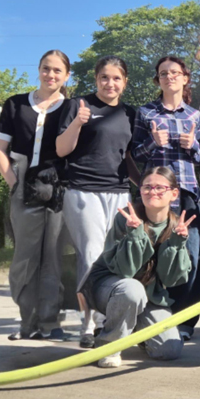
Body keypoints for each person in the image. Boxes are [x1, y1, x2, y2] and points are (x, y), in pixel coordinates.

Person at [56, 55, 138, 348]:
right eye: (104, 77)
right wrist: (77, 123)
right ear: (96, 79)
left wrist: (148, 192)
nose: (110, 83)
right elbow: (62, 149)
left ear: (125, 82)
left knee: (114, 257)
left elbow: (127, 157)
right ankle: (89, 324)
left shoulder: (130, 114)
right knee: (91, 254)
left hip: (118, 193)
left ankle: (108, 320)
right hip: (83, 191)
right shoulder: (78, 106)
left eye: (116, 78)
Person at [0, 49, 71, 341]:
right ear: (38, 70)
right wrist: (14, 182)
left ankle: (51, 322)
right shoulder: (15, 105)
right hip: (23, 183)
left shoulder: (72, 107)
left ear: (66, 76)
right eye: (46, 69)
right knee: (25, 257)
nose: (51, 75)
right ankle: (28, 322)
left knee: (53, 256)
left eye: (57, 71)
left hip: (58, 186)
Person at [82, 167, 194, 368]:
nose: (153, 192)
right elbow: (124, 271)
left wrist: (177, 243)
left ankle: (133, 329)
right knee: (132, 290)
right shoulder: (127, 218)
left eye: (160, 188)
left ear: (174, 193)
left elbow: (171, 280)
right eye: (147, 187)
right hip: (109, 288)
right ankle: (108, 346)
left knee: (169, 350)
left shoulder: (177, 225)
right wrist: (134, 235)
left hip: (148, 294)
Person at [131, 56, 200, 341]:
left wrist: (193, 146)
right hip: (155, 197)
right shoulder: (145, 113)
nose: (169, 77)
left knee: (191, 258)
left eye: (175, 73)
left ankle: (185, 322)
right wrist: (153, 143)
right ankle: (153, 314)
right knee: (154, 256)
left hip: (186, 194)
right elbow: (135, 154)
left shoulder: (195, 116)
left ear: (185, 78)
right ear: (158, 80)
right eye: (163, 73)